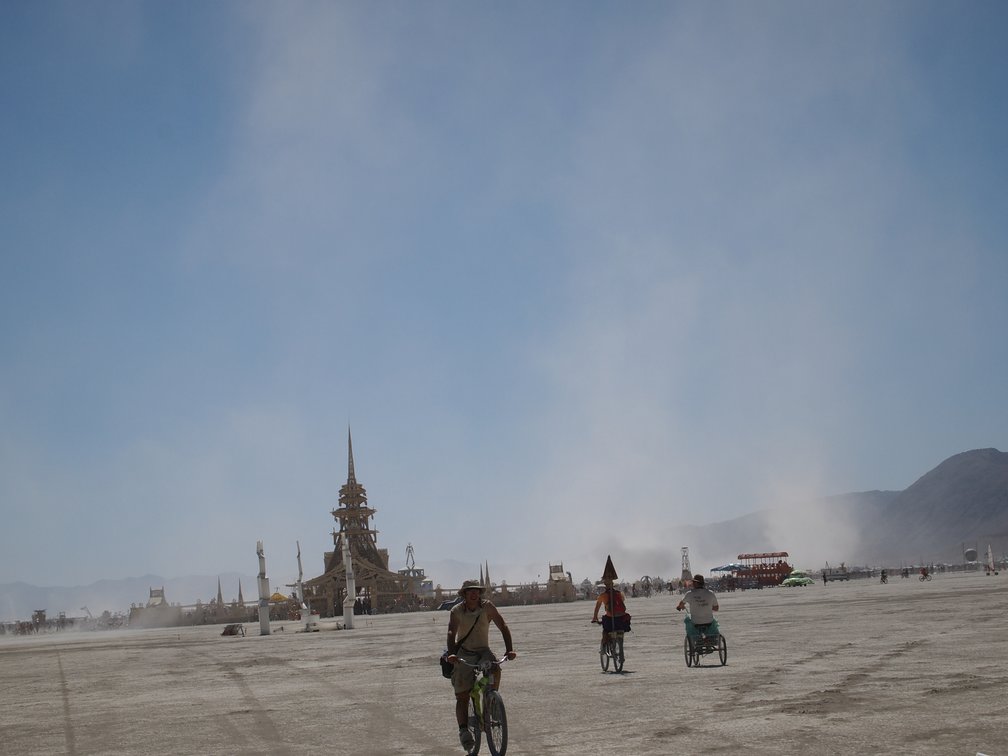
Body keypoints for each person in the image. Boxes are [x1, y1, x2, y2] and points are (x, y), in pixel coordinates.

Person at [446, 580, 516, 753]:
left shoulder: (487, 607)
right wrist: (451, 654)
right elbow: (451, 632)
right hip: (464, 652)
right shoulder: (457, 611)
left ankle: (492, 701)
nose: (473, 594)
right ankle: (463, 730)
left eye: (476, 591)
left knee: (495, 668)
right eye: (470, 591)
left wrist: (509, 649)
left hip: (483, 651)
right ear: (464, 594)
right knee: (462, 695)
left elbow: (503, 626)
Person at [591, 578, 628, 649]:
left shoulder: (602, 595)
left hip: (610, 618)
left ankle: (604, 646)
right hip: (621, 618)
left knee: (605, 630)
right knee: (620, 631)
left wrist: (595, 617)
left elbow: (597, 608)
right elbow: (622, 602)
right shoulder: (619, 593)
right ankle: (620, 651)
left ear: (605, 586)